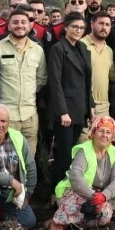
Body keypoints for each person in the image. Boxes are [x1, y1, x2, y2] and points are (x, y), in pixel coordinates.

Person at [49, 115, 115, 230]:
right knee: (75, 204)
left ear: (113, 136)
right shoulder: (84, 150)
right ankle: (57, 224)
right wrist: (93, 197)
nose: (104, 135)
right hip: (78, 191)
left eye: (108, 132)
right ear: (94, 132)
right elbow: (75, 176)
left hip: (103, 197)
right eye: (101, 131)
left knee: (104, 216)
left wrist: (103, 197)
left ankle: (71, 224)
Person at [46, 13, 92, 193]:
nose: (78, 31)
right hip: (65, 111)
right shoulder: (58, 49)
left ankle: (68, 189)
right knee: (64, 155)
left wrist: (91, 107)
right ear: (65, 27)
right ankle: (54, 192)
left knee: (73, 153)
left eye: (81, 28)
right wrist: (62, 111)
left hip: (80, 108)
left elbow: (88, 81)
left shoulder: (82, 48)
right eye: (74, 27)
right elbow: (55, 83)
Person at [0, 10, 43, 144]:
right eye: (15, 22)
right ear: (8, 26)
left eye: (23, 22)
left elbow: (41, 79)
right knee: (4, 159)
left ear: (29, 26)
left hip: (30, 116)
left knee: (28, 159)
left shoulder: (38, 50)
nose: (20, 25)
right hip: (5, 116)